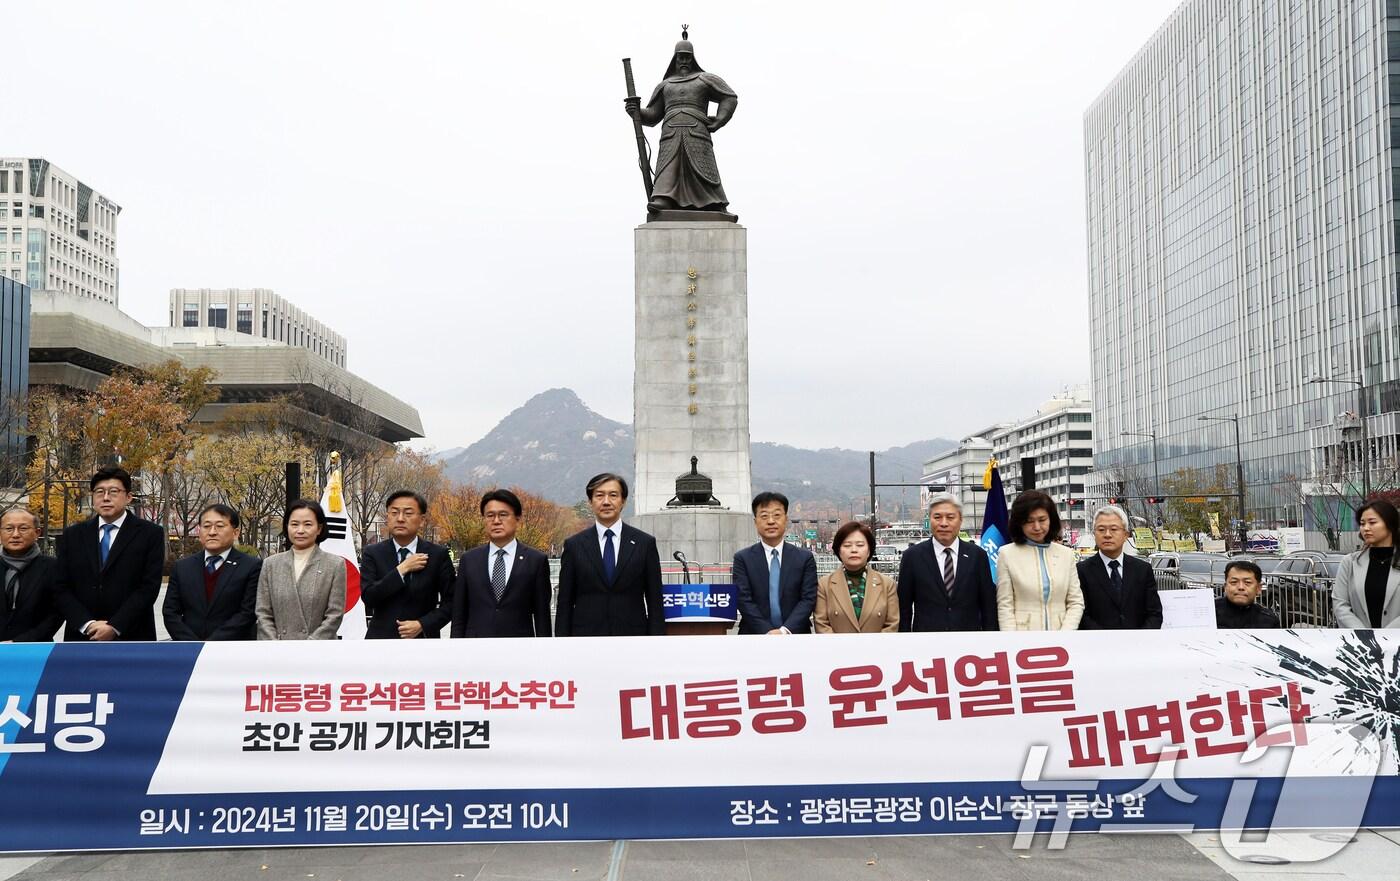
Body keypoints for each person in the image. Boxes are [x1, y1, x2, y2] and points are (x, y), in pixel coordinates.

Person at [625, 31, 738, 214]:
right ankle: (663, 198)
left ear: (693, 59)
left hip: (697, 131)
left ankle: (714, 202)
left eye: (687, 57)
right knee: (669, 165)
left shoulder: (705, 79)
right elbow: (653, 115)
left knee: (703, 167)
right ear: (674, 59)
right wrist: (636, 112)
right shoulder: (666, 85)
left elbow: (729, 97)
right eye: (680, 58)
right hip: (670, 132)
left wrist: (719, 120)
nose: (684, 61)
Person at [52, 466, 165, 641]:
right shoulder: (73, 535)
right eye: (99, 492)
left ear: (128, 497)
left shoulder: (150, 533)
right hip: (82, 637)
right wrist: (87, 624)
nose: (105, 498)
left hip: (132, 635)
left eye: (113, 492)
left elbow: (148, 588)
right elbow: (61, 587)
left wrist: (115, 626)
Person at [555, 473, 664, 636]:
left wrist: (656, 641)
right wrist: (562, 643)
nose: (606, 501)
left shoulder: (644, 543)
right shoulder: (574, 546)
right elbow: (565, 603)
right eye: (599, 495)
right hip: (586, 640)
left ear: (623, 501)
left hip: (633, 638)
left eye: (613, 495)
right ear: (590, 502)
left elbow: (655, 601)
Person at [452, 489, 551, 638]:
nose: (496, 521)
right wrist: (456, 647)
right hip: (476, 646)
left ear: (517, 518)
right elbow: (459, 612)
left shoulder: (536, 560)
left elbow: (542, 615)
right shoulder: (469, 560)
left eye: (503, 515)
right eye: (490, 515)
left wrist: (543, 651)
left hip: (519, 646)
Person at [359, 490, 454, 639]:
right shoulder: (372, 553)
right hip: (381, 641)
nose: (400, 519)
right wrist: (402, 569)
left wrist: (422, 624)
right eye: (394, 513)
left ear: (422, 520)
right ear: (387, 517)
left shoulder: (438, 555)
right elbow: (369, 597)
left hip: (423, 641)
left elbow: (452, 603)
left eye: (408, 513)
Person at [897, 493, 997, 632]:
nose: (944, 523)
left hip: (969, 643)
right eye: (937, 517)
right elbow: (904, 608)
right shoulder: (912, 557)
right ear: (929, 519)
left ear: (960, 520)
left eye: (950, 517)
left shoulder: (977, 556)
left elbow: (988, 606)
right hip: (926, 644)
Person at [163, 503, 262, 640]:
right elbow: (170, 612)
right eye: (206, 526)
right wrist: (191, 643)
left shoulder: (251, 566)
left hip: (234, 650)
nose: (212, 532)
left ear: (235, 533)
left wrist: (212, 645)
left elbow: (247, 613)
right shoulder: (182, 567)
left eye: (220, 526)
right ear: (199, 531)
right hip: (190, 651)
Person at [255, 499, 345, 640]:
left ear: (319, 528)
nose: (300, 530)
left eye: (308, 524)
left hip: (318, 651)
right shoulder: (270, 564)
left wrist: (308, 646)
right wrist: (273, 644)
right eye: (294, 524)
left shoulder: (335, 564)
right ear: (287, 527)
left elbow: (335, 615)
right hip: (277, 651)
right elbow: (263, 613)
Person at [996, 490, 1083, 631]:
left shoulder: (1066, 554)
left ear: (1051, 519)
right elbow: (1005, 605)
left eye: (1042, 520)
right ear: (1019, 523)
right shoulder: (1007, 554)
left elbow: (1076, 602)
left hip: (1062, 639)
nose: (1037, 527)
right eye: (1029, 521)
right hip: (1023, 639)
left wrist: (1066, 635)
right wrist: (1011, 641)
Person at [734, 491, 818, 634]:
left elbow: (808, 599)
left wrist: (785, 630)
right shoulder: (743, 558)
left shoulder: (804, 558)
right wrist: (767, 631)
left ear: (786, 519)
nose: (771, 521)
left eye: (777, 515)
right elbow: (743, 599)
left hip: (795, 635)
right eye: (764, 516)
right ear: (755, 522)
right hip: (754, 636)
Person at [1077, 504, 1162, 629]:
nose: (1107, 534)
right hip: (1098, 644)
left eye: (1114, 529)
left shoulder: (1142, 570)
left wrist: (1139, 639)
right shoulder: (1081, 570)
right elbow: (1081, 615)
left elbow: (1154, 613)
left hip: (1138, 644)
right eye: (1101, 530)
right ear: (1094, 534)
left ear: (1126, 535)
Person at [814, 520, 897, 633]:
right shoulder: (824, 585)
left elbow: (892, 625)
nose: (854, 550)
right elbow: (821, 624)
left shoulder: (887, 584)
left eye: (860, 545)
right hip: (838, 649)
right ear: (839, 551)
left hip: (876, 649)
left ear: (869, 551)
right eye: (847, 545)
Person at [1332, 498, 1400, 628]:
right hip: (1360, 644)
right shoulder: (1350, 563)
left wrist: (1385, 637)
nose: (1366, 528)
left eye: (1372, 522)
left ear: (1390, 524)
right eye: (1362, 524)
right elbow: (1340, 605)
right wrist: (1364, 635)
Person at [0, 508, 62, 642]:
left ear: (37, 533)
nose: (15, 534)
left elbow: (56, 615)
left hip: (35, 651)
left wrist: (19, 643)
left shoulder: (53, 567)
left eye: (23, 528)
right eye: (9, 529)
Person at [1216, 559, 1280, 629]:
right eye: (1234, 582)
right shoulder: (1209, 613)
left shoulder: (1269, 621)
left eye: (1248, 582)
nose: (1241, 587)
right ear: (1225, 587)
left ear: (1258, 588)